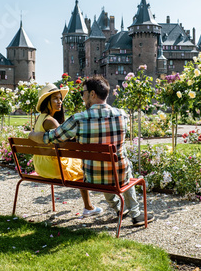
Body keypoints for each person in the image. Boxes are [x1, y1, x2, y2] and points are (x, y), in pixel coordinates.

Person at [29, 76, 154, 227]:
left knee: (101, 166)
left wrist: (33, 135)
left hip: (92, 178)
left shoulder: (78, 119)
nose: (82, 97)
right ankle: (136, 214)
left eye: (83, 93)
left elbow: (52, 137)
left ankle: (118, 208)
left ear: (92, 94)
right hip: (119, 175)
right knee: (120, 163)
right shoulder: (122, 115)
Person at [32, 83, 102, 217]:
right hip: (52, 166)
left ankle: (88, 206)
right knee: (82, 168)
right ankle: (88, 207)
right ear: (47, 102)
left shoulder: (40, 118)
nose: (60, 102)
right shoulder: (51, 121)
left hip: (40, 164)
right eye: (55, 99)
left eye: (60, 98)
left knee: (77, 163)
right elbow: (66, 142)